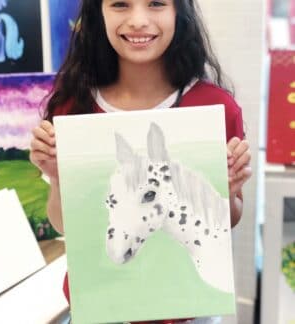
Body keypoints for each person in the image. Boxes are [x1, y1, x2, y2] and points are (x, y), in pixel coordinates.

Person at [30, 0, 252, 323]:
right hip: (100, 310)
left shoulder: (216, 108)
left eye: (156, 4)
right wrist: (57, 176)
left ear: (179, 11)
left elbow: (227, 220)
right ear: (99, 12)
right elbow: (68, 226)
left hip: (191, 313)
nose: (138, 20)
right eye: (120, 4)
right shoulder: (72, 107)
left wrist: (227, 190)